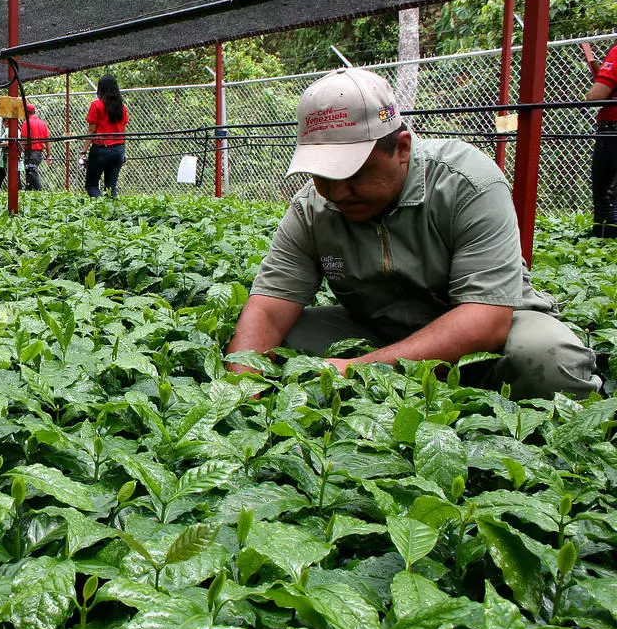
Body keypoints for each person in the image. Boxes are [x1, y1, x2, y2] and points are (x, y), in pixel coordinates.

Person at [224, 68, 600, 400]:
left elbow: (485, 319)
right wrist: (241, 395)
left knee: (548, 359)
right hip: (377, 332)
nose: (337, 193)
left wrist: (358, 369)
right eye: (323, 175)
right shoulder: (311, 208)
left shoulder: (466, 182)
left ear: (401, 148)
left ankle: (476, 391)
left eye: (353, 173)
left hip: (491, 333)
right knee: (276, 340)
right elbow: (269, 311)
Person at [585, 43, 617, 237]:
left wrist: (588, 95)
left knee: (607, 195)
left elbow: (596, 95)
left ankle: (605, 238)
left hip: (612, 128)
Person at [83, 74, 128, 198]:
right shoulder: (122, 107)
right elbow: (123, 130)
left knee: (91, 185)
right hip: (118, 149)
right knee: (110, 187)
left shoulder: (97, 105)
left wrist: (83, 151)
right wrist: (123, 152)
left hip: (101, 149)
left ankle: (100, 210)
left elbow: (91, 130)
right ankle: (111, 213)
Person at [20, 104, 51, 191]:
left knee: (32, 172)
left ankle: (40, 193)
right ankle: (28, 192)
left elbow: (24, 140)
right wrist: (49, 155)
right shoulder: (42, 123)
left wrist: (18, 151)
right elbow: (47, 141)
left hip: (30, 152)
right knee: (30, 173)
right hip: (39, 153)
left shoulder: (26, 123)